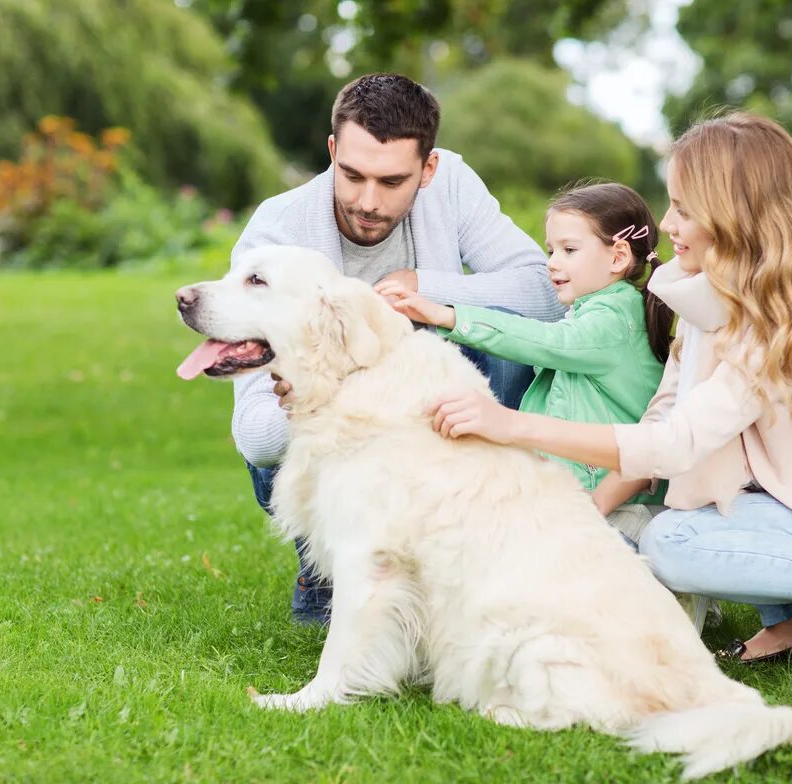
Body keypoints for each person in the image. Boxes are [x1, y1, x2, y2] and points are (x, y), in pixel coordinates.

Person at [425, 113, 792, 696]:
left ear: (735, 215)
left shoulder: (790, 314)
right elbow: (664, 415)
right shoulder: (712, 291)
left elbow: (678, 445)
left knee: (674, 541)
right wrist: (588, 507)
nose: (668, 222)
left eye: (684, 208)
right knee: (665, 527)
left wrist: (514, 425)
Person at [230, 73, 563, 625]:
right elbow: (257, 438)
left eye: (391, 182)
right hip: (346, 434)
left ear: (427, 170)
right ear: (332, 150)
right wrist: (320, 385)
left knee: (503, 334)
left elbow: (546, 294)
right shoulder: (277, 234)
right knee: (283, 432)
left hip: (434, 411)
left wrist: (427, 289)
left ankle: (479, 552)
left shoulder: (451, 183)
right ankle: (327, 569)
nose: (367, 201)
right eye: (352, 175)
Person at [378, 182, 672, 545]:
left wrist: (445, 315)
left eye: (569, 250)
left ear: (617, 257)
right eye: (551, 250)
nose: (552, 263)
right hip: (587, 499)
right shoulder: (595, 312)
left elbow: (541, 341)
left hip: (622, 511)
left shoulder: (614, 318)